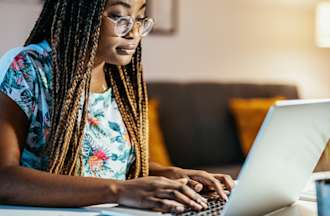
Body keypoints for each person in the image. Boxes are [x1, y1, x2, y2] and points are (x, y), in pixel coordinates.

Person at [0, 0, 234, 213]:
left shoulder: (122, 79)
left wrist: (170, 174)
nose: (133, 33)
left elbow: (109, 167)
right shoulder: (27, 67)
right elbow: (4, 179)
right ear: (79, 13)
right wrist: (119, 190)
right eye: (118, 16)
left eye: (139, 18)